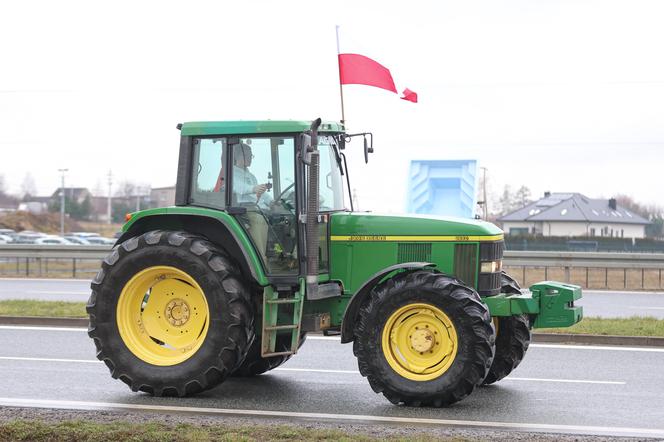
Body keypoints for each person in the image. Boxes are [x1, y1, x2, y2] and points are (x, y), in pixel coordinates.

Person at [232, 143, 271, 260]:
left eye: (251, 156)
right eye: (248, 156)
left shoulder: (251, 176)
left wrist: (272, 202)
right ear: (239, 156)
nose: (250, 159)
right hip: (242, 208)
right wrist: (253, 189)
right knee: (258, 219)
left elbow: (261, 193)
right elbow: (238, 187)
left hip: (255, 207)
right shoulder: (232, 173)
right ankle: (260, 257)